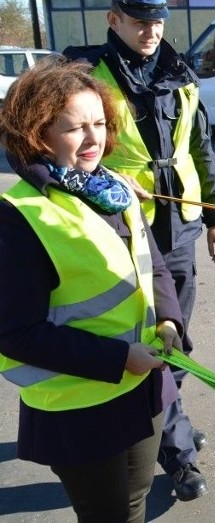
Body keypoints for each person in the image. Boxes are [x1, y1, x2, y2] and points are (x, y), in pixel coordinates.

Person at [63, 0, 215, 501]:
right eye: (140, 21)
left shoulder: (179, 74)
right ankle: (176, 450)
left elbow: (200, 147)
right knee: (149, 345)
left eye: (158, 20)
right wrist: (94, 185)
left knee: (174, 338)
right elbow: (51, 147)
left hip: (179, 227)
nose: (152, 31)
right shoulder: (83, 75)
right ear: (113, 19)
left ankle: (165, 427)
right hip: (116, 229)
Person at [0, 57, 184, 523]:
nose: (94, 138)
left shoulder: (114, 189)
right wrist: (119, 359)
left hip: (142, 385)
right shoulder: (19, 214)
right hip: (80, 406)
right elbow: (15, 333)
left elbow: (153, 263)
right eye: (75, 128)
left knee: (137, 498)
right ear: (38, 134)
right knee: (106, 515)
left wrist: (168, 319)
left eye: (100, 123)